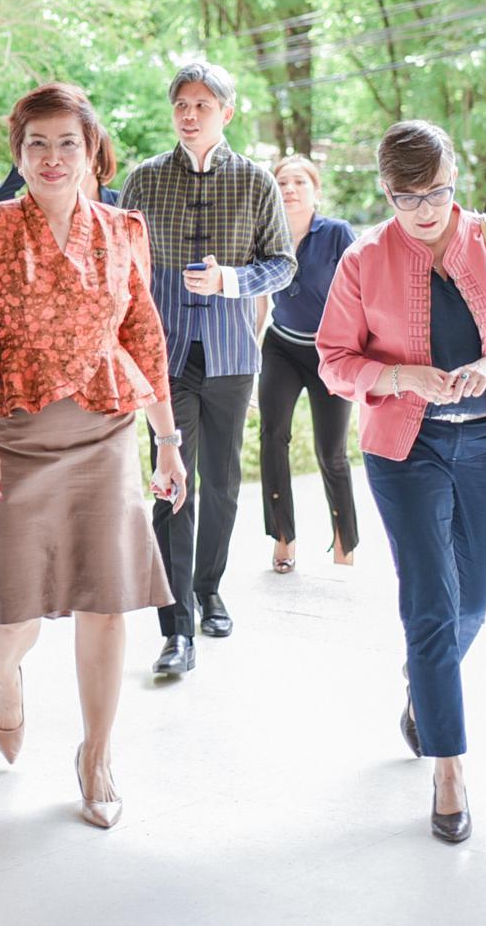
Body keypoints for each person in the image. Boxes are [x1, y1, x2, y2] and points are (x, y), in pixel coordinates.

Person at [0, 84, 188, 829]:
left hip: (104, 429)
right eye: (37, 144)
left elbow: (143, 338)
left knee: (105, 599)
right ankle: (5, 677)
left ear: (92, 153)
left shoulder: (123, 229)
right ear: (19, 154)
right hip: (13, 436)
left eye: (67, 144)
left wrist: (168, 441)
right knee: (13, 609)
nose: (52, 158)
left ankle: (97, 755)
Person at [314, 121, 486, 845]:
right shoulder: (364, 259)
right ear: (385, 190)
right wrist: (400, 377)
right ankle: (448, 770)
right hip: (406, 448)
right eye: (407, 197)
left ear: (456, 178)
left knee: (477, 593)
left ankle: (425, 682)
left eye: (438, 192)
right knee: (428, 602)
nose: (425, 210)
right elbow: (333, 359)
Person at [118, 61, 295, 675]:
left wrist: (231, 281)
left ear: (227, 112)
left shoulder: (256, 182)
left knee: (220, 482)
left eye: (202, 105)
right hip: (164, 356)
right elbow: (123, 263)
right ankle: (176, 627)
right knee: (172, 482)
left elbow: (283, 263)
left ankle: (209, 587)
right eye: (181, 104)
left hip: (230, 353)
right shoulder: (144, 179)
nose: (189, 115)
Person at [255, 155, 359, 573]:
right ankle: (283, 538)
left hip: (330, 353)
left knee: (331, 452)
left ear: (316, 190)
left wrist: (361, 352)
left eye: (299, 182)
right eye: (282, 182)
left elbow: (361, 291)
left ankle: (344, 543)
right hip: (281, 347)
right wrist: (251, 350)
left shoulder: (337, 234)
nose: (289, 189)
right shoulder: (267, 233)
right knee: (272, 437)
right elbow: (259, 297)